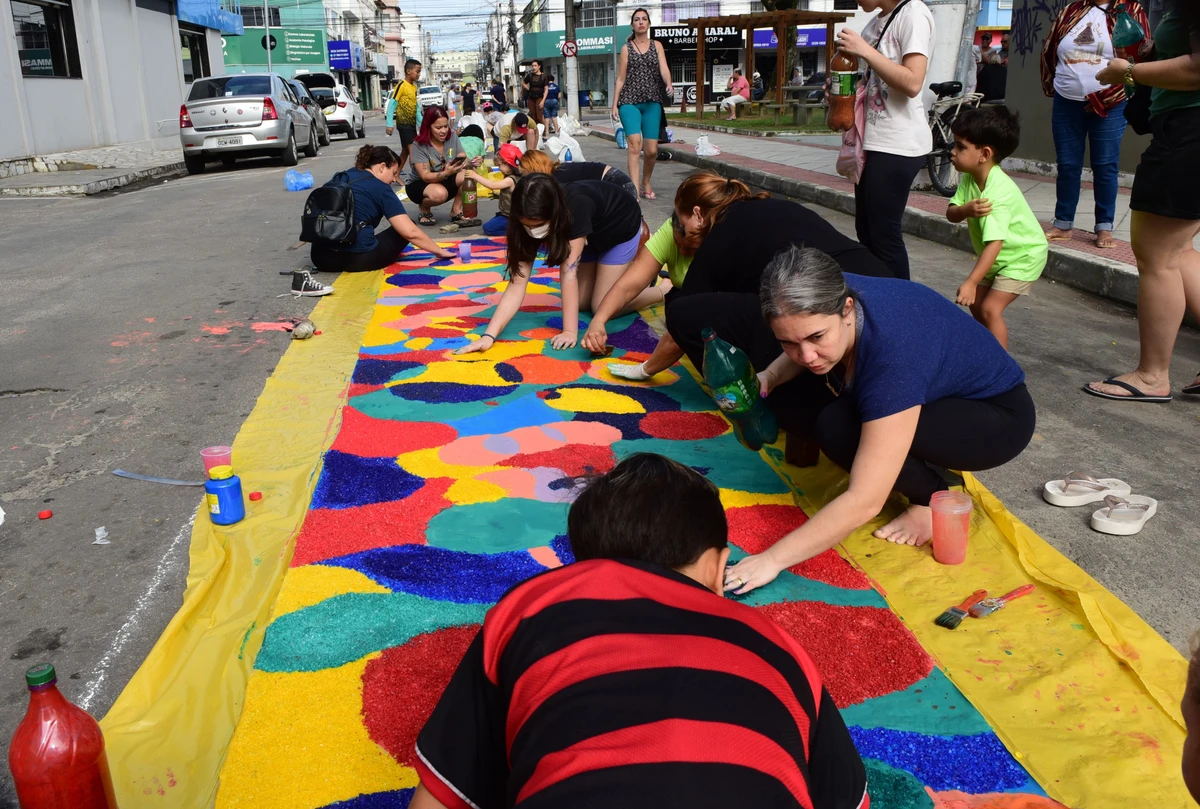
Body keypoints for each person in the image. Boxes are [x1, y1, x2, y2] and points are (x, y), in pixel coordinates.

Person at [407, 453, 870, 809]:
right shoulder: (779, 645)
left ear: (583, 564)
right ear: (718, 567)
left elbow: (445, 794)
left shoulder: (533, 606)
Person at [721, 246, 1035, 593]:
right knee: (832, 419)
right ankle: (923, 480)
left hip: (997, 420)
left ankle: (929, 501)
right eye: (789, 342)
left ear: (847, 309)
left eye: (817, 338)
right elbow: (804, 333)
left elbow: (865, 500)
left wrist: (771, 560)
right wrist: (771, 375)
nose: (806, 356)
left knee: (843, 428)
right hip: (940, 389)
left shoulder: (893, 357)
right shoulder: (822, 289)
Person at [588, 173, 894, 469]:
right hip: (883, 288)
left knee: (683, 310)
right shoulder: (770, 207)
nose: (679, 233)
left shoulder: (721, 234)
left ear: (698, 214)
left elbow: (681, 328)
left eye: (680, 222)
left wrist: (645, 369)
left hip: (826, 300)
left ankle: (767, 409)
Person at [1086, 0, 1200, 402]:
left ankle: (1152, 377)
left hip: (1187, 133)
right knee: (1179, 251)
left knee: (1157, 255)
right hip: (1185, 130)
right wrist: (1155, 53)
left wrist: (1130, 71)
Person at [454, 173, 652, 352]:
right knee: (581, 303)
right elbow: (517, 283)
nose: (533, 231)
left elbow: (568, 273)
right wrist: (489, 336)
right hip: (588, 235)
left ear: (553, 214)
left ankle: (660, 289)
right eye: (527, 225)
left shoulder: (575, 207)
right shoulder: (522, 225)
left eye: (539, 225)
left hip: (619, 227)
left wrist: (569, 332)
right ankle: (620, 279)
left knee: (601, 305)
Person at [834, 0, 936, 280]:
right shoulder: (873, 24)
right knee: (866, 232)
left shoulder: (913, 13)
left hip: (898, 143)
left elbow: (913, 82)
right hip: (871, 141)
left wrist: (864, 50)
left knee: (884, 236)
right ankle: (880, 296)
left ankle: (901, 301)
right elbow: (872, 82)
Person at [1040, 0, 1150, 249]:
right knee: (1067, 164)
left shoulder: (1130, 10)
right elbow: (1050, 49)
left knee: (1105, 165)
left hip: (1111, 102)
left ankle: (1104, 226)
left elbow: (1140, 58)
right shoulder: (1071, 10)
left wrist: (1107, 95)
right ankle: (1063, 223)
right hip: (1066, 100)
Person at [946, 106, 1048, 349]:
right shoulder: (970, 177)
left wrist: (971, 282)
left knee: (990, 309)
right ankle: (988, 350)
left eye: (960, 147)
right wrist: (966, 210)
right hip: (1000, 257)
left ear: (984, 154)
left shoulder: (997, 194)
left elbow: (995, 244)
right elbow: (951, 214)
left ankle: (1001, 366)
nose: (952, 152)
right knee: (976, 304)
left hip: (1023, 257)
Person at [310, 144, 454, 275]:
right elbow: (410, 232)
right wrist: (439, 251)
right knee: (406, 226)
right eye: (394, 173)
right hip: (359, 259)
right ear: (382, 167)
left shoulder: (341, 176)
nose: (394, 179)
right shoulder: (381, 188)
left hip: (321, 258)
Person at [614, 8, 674, 200]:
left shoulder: (657, 46)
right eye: (637, 19)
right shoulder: (627, 49)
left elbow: (664, 68)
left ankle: (645, 182)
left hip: (652, 102)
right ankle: (634, 190)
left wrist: (669, 83)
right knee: (634, 145)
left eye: (644, 19)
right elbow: (620, 78)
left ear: (648, 23)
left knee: (651, 150)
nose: (640, 22)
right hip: (629, 101)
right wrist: (614, 104)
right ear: (632, 25)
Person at [403, 106, 480, 226]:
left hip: (445, 176)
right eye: (438, 128)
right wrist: (446, 173)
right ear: (428, 127)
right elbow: (425, 176)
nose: (443, 131)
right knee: (439, 195)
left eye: (445, 126)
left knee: (471, 175)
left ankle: (456, 210)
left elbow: (462, 157)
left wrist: (472, 162)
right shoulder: (419, 145)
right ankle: (424, 208)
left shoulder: (452, 136)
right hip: (420, 183)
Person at [468, 143, 524, 236]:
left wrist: (475, 176)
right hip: (507, 214)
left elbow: (492, 185)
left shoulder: (510, 180)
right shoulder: (513, 176)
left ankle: (517, 231)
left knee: (488, 228)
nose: (499, 168)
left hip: (511, 217)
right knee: (492, 224)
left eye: (499, 166)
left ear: (507, 163)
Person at [384, 58, 423, 171]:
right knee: (413, 151)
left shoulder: (414, 87)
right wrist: (389, 124)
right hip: (404, 124)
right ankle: (416, 175)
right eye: (417, 71)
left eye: (420, 72)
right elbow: (392, 104)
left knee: (405, 151)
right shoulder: (401, 85)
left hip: (411, 124)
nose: (419, 74)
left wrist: (422, 124)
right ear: (408, 71)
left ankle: (395, 173)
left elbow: (416, 108)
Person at [524, 60, 549, 126]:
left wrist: (543, 101)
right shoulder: (530, 75)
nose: (533, 67)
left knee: (539, 117)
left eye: (535, 66)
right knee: (533, 116)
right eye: (532, 66)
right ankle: (535, 130)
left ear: (539, 66)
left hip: (539, 97)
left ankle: (543, 131)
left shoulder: (544, 76)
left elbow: (546, 89)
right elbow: (523, 83)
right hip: (531, 98)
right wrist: (528, 88)